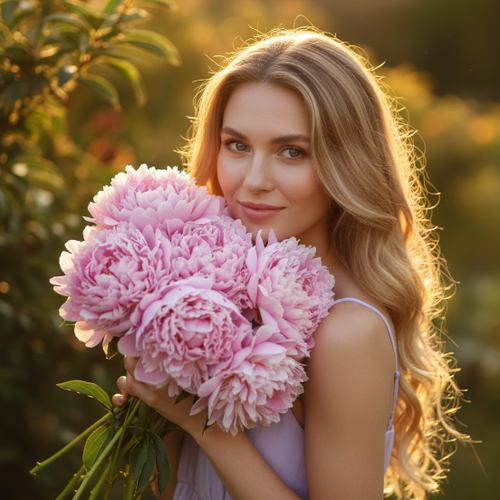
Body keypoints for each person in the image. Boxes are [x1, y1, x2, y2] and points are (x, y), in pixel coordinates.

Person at [112, 27, 467, 500]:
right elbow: (175, 488)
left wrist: (198, 421)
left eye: (292, 152)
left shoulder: (346, 332)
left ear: (348, 165)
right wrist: (155, 398)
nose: (254, 180)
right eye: (237, 145)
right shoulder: (207, 298)